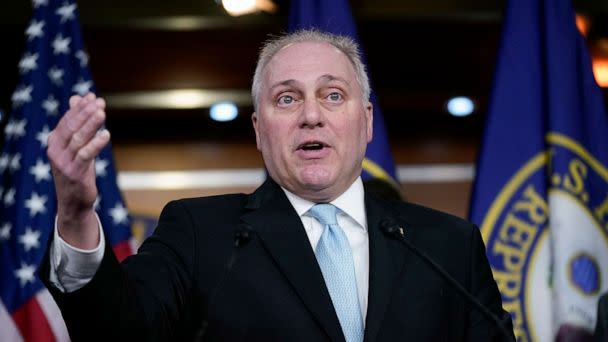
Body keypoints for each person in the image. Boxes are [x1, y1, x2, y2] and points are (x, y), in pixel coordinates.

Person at [40, 29, 514, 341]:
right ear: (259, 129)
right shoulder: (201, 234)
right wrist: (76, 216)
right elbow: (121, 333)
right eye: (287, 98)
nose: (311, 115)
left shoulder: (449, 247)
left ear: (366, 121)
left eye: (333, 95)